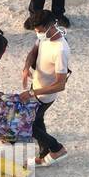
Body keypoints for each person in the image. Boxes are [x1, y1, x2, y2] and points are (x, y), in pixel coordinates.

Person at [21, 10, 71, 166]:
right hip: (36, 86)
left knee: (28, 125)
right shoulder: (44, 37)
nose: (38, 34)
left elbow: (60, 84)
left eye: (39, 31)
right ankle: (44, 152)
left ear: (50, 27)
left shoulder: (61, 50)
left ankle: (57, 148)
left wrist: (32, 93)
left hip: (44, 95)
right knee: (37, 121)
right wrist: (26, 68)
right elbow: (33, 52)